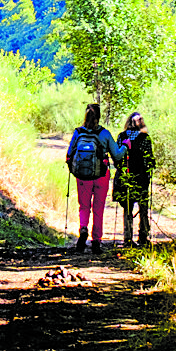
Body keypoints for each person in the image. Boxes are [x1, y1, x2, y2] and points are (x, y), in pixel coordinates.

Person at [64, 103, 117, 254]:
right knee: (98, 208)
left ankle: (83, 229)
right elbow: (117, 154)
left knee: (84, 206)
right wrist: (125, 147)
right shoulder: (104, 133)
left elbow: (69, 154)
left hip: (83, 176)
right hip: (101, 176)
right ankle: (96, 241)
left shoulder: (78, 133)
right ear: (99, 116)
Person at [114, 111, 153, 246]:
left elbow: (117, 157)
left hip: (126, 176)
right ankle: (143, 235)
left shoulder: (122, 136)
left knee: (127, 208)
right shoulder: (145, 138)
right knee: (143, 208)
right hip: (141, 177)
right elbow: (150, 160)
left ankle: (127, 237)